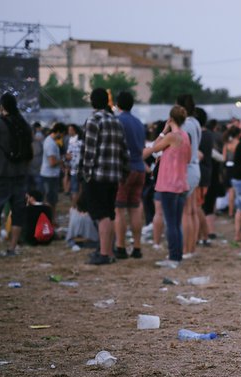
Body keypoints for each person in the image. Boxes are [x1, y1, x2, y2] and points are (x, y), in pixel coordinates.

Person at [79, 88, 129, 265]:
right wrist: (123, 173)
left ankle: (104, 253)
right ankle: (108, 251)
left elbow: (88, 151)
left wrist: (85, 174)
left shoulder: (93, 120)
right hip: (114, 176)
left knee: (101, 215)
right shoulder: (116, 122)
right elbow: (124, 152)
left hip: (97, 175)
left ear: (93, 102)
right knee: (109, 213)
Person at [0, 92, 32, 256]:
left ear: (2, 106)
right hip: (20, 175)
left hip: (1, 174)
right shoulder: (24, 124)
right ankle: (12, 247)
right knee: (18, 211)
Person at [142, 105, 190, 266]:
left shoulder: (171, 136)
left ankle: (173, 257)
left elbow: (152, 149)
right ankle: (177, 255)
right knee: (176, 223)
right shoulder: (185, 136)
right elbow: (187, 158)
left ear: (171, 119)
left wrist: (163, 131)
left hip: (169, 184)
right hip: (182, 183)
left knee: (170, 223)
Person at [114, 91, 146, 259]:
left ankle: (120, 246)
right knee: (135, 208)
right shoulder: (139, 123)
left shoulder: (118, 121)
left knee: (119, 210)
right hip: (140, 167)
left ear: (118, 105)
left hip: (124, 169)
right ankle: (137, 247)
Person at [39, 122, 64, 210]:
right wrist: (64, 158)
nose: (62, 136)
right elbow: (52, 163)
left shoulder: (50, 140)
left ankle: (51, 220)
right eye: (62, 134)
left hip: (49, 175)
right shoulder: (51, 144)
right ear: (58, 132)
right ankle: (50, 221)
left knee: (51, 199)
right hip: (50, 176)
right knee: (51, 200)